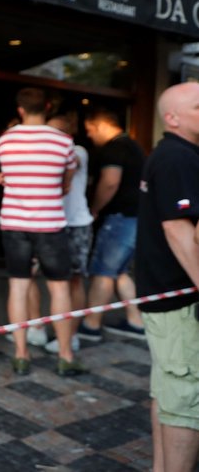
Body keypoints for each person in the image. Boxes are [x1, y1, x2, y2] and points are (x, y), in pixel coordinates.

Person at [0, 87, 84, 376]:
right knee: (59, 287)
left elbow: (6, 177)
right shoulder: (63, 142)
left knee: (19, 286)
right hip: (50, 223)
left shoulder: (5, 140)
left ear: (20, 109)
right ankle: (65, 355)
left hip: (14, 222)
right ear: (47, 106)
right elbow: (67, 181)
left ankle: (21, 354)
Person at [136, 82, 199, 472]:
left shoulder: (176, 153)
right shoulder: (178, 156)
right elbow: (179, 230)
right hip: (178, 300)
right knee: (186, 397)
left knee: (169, 390)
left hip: (166, 297)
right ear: (172, 117)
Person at [77, 107, 146, 341]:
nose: (89, 136)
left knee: (103, 271)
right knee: (119, 272)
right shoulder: (133, 145)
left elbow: (109, 182)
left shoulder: (115, 148)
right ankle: (136, 320)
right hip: (134, 217)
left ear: (101, 125)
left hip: (119, 218)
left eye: (89, 130)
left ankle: (91, 325)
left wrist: (94, 208)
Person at [44, 112, 94, 354]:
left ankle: (71, 336)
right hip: (52, 223)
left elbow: (70, 168)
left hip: (76, 224)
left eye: (53, 132)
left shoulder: (78, 151)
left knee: (74, 280)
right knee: (55, 283)